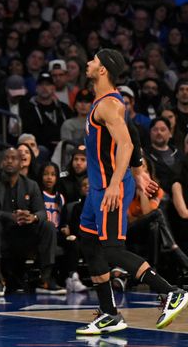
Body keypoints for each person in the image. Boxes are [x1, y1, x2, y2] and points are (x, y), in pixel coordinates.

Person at [76, 49, 186, 335]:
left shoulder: (109, 105)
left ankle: (172, 292)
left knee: (113, 249)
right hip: (99, 189)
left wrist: (117, 183)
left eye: (93, 61)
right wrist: (139, 173)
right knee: (88, 241)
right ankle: (110, 314)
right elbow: (134, 135)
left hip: (110, 188)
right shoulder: (107, 103)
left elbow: (125, 144)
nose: (88, 63)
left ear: (103, 70)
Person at [0, 148, 63, 296]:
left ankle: (46, 279)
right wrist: (9, 216)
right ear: (0, 162)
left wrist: (33, 217)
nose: (9, 161)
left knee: (48, 226)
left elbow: (42, 212)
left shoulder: (31, 185)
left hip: (24, 234)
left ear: (21, 163)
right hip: (0, 234)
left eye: (14, 158)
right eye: (6, 158)